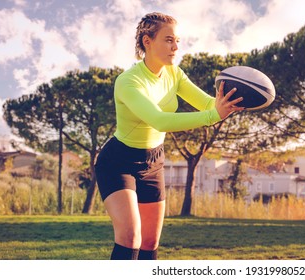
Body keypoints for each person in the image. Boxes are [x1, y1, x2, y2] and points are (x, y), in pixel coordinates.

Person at [94, 12, 244, 260]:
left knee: (150, 242)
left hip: (154, 162)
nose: (175, 47)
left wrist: (228, 102)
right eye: (168, 40)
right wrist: (213, 116)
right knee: (131, 237)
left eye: (177, 41)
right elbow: (159, 119)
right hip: (118, 162)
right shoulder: (128, 82)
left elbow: (206, 103)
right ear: (147, 41)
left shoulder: (174, 74)